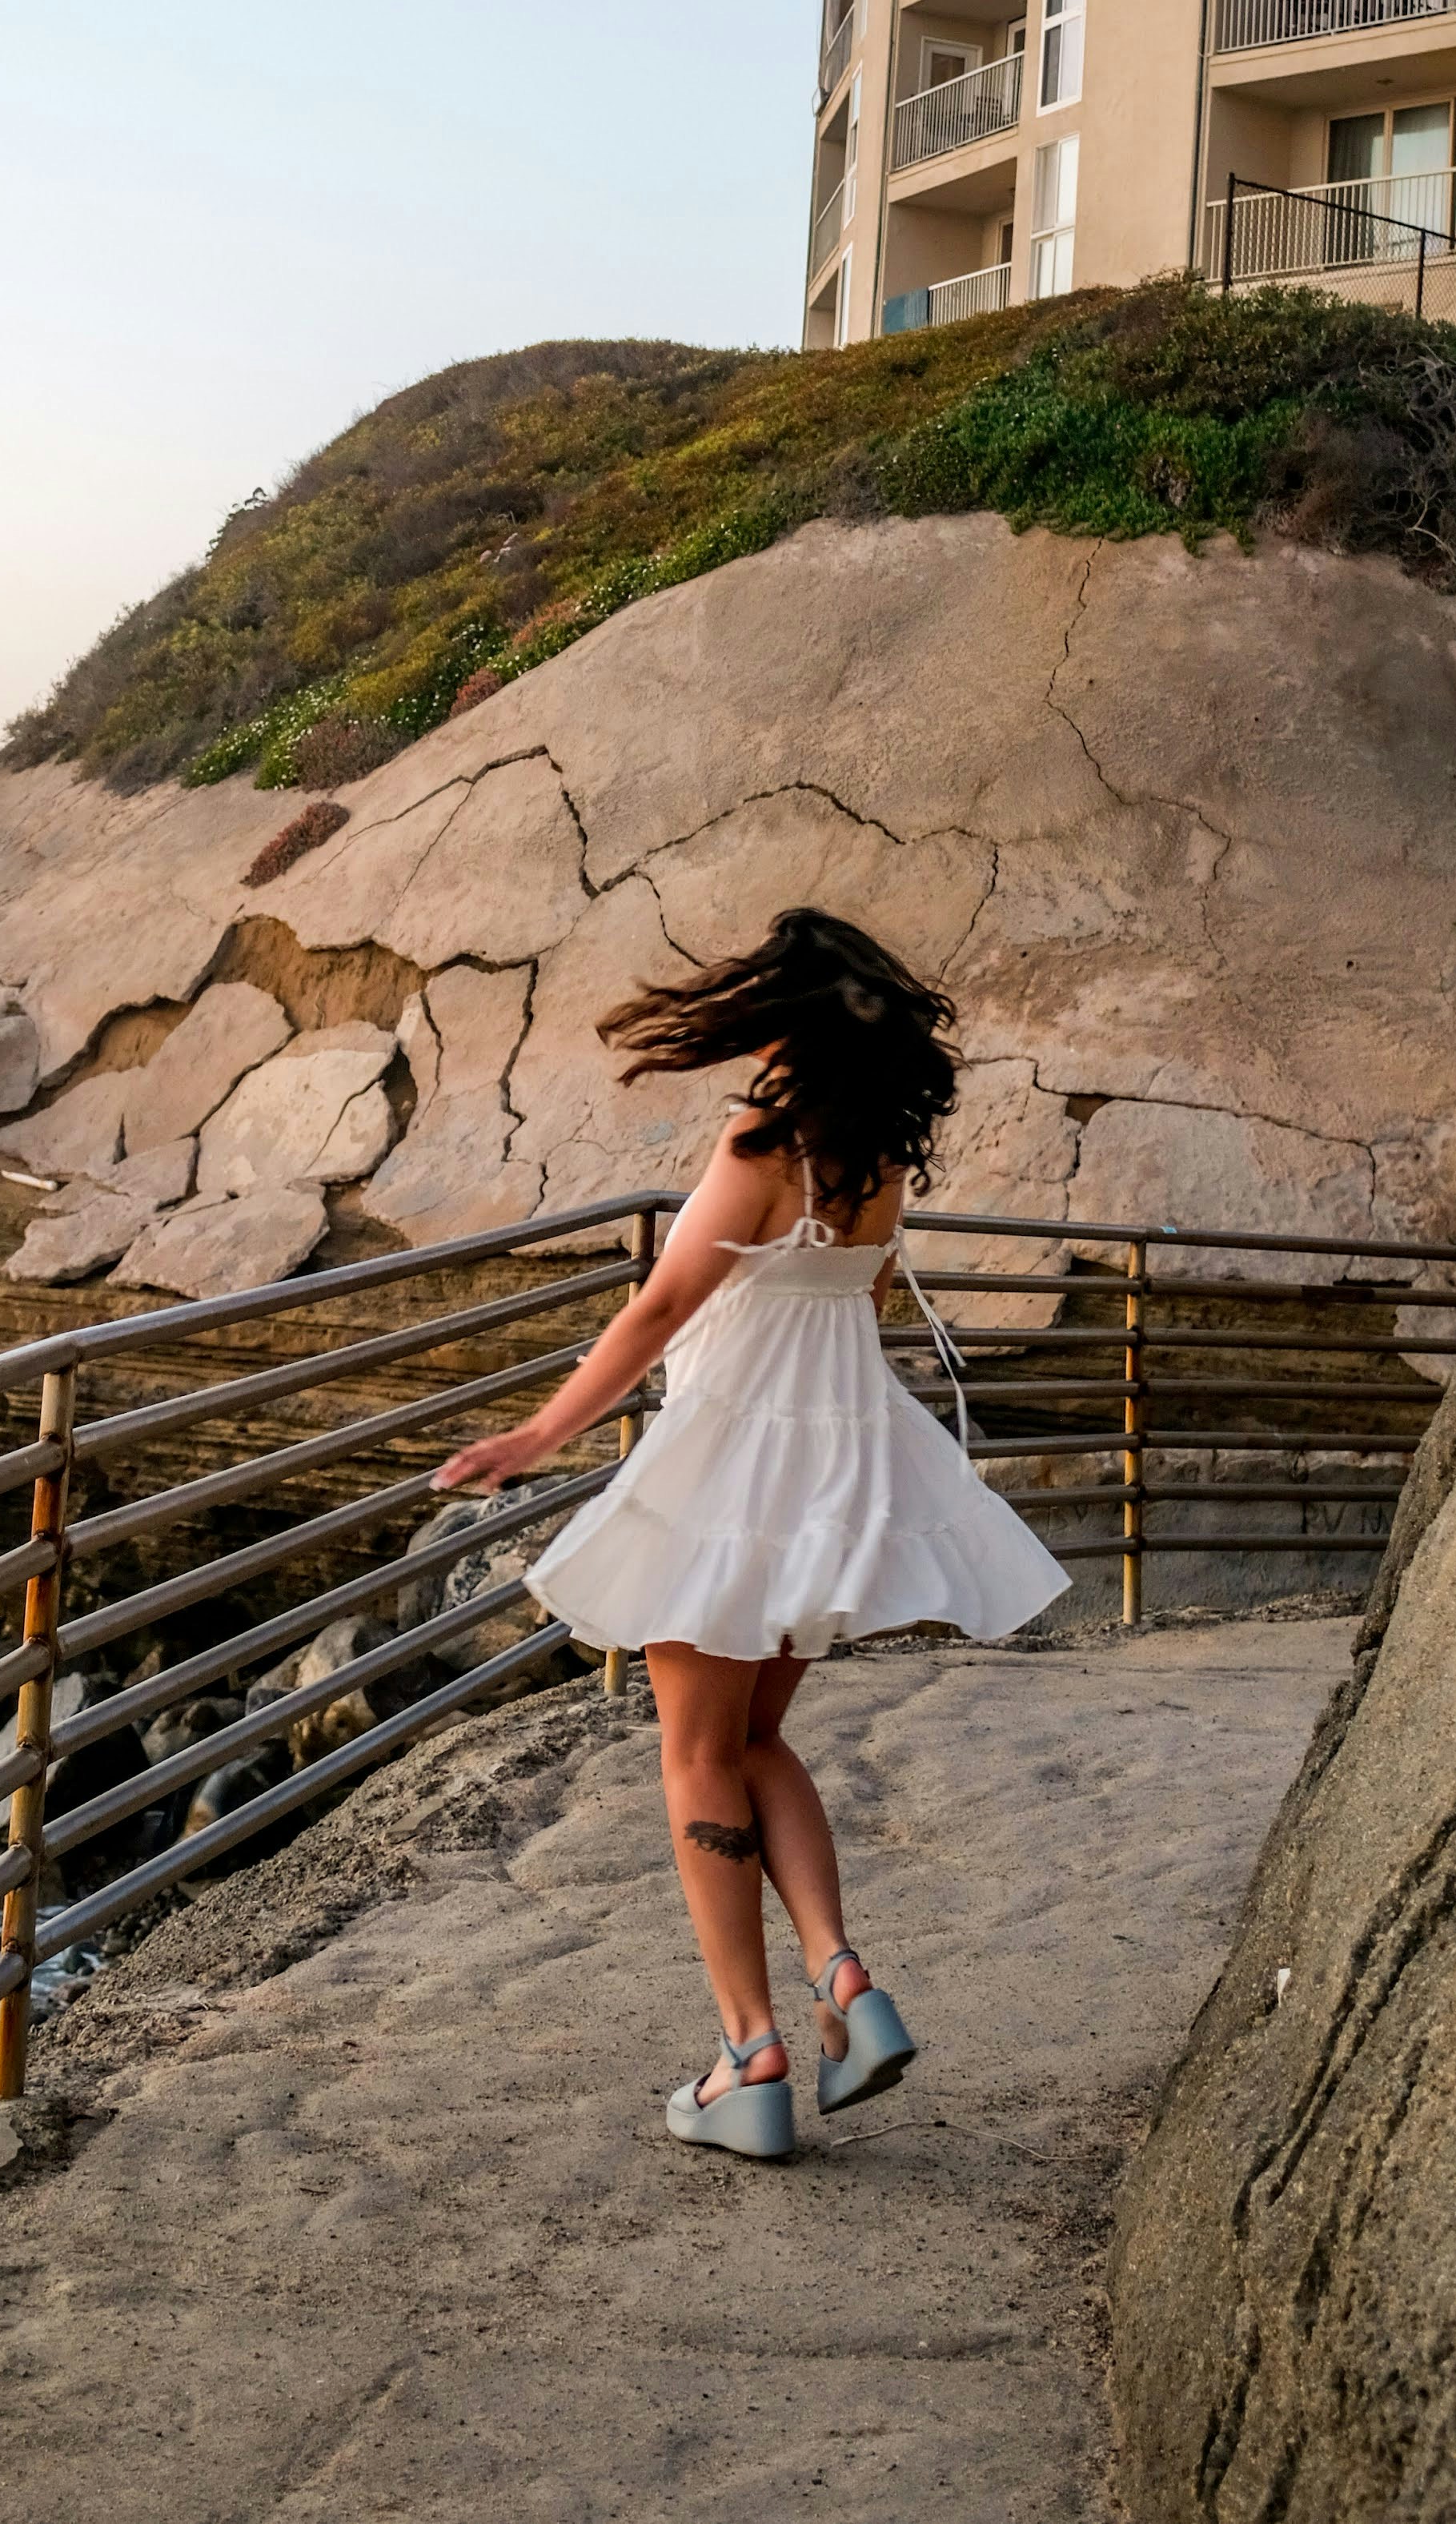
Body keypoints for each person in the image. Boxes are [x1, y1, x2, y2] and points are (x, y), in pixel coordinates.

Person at [431, 909, 1069, 2163]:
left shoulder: (762, 1142)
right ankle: (842, 1980)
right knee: (754, 1738)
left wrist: (539, 1433)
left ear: (788, 1016)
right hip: (834, 1463)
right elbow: (861, 1295)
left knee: (693, 1755)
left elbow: (663, 1304)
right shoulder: (871, 1156)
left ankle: (749, 2053)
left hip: (734, 1467)